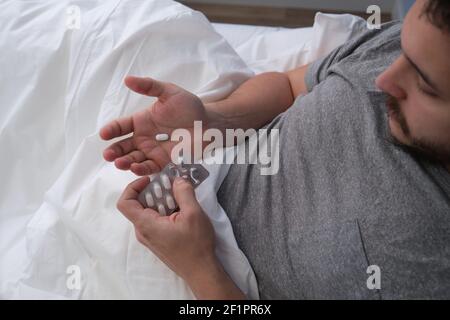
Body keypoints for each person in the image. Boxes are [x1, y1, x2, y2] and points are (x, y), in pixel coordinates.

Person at [99, 0, 450, 299]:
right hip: (193, 169)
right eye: (402, 48)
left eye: (424, 86)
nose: (383, 79)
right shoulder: (400, 45)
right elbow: (289, 85)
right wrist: (211, 123)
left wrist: (199, 268)